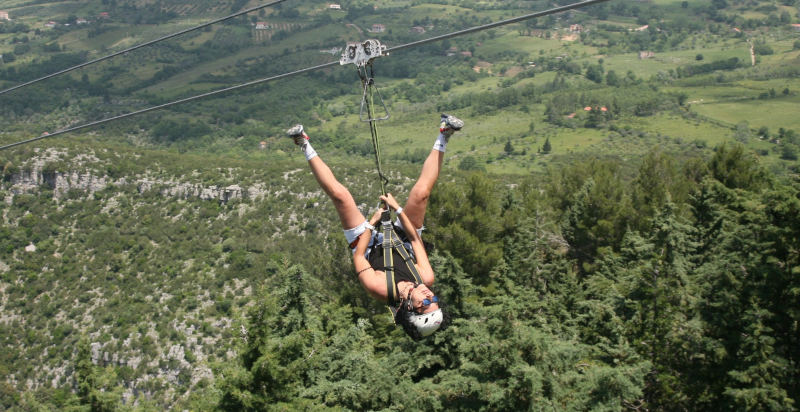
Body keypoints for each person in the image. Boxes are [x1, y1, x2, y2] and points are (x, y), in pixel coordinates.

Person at [286, 114, 464, 340]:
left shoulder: (380, 289)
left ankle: (303, 143)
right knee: (421, 195)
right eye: (435, 300)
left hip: (367, 247)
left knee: (341, 197)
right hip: (403, 241)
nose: (430, 295)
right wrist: (397, 210)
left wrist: (372, 222)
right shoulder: (425, 277)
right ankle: (444, 134)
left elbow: (359, 257)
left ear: (410, 308)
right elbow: (416, 240)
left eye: (426, 302)